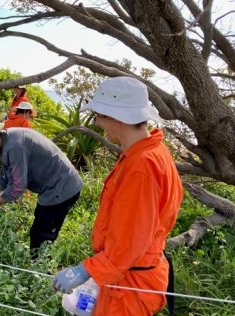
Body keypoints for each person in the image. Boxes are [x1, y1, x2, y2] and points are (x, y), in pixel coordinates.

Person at [52, 77, 183, 315]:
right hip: (132, 273)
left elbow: (129, 241)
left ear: (115, 117)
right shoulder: (152, 151)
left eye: (99, 117)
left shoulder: (141, 166)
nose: (98, 123)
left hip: (129, 285)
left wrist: (85, 270)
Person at [0, 116, 83, 251]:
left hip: (62, 188)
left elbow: (17, 188)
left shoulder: (15, 146)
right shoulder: (6, 139)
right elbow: (5, 178)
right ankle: (36, 261)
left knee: (41, 236)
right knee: (39, 230)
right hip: (54, 185)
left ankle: (39, 267)